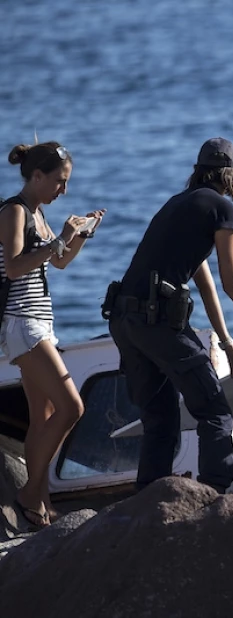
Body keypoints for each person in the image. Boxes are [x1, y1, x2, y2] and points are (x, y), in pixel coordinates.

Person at [107, 137, 233, 494]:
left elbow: (205, 283)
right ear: (231, 175)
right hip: (157, 320)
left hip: (123, 320)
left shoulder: (178, 204)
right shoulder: (221, 209)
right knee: (215, 412)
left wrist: (225, 343)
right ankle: (217, 499)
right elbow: (232, 284)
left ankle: (149, 502)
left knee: (160, 420)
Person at [0, 141, 105, 528]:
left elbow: (58, 262)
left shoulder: (38, 215)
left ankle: (37, 503)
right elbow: (13, 267)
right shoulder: (13, 211)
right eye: (59, 182)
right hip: (22, 323)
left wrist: (77, 236)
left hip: (40, 323)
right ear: (37, 175)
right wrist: (60, 238)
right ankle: (29, 493)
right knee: (72, 407)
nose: (64, 190)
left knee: (42, 417)